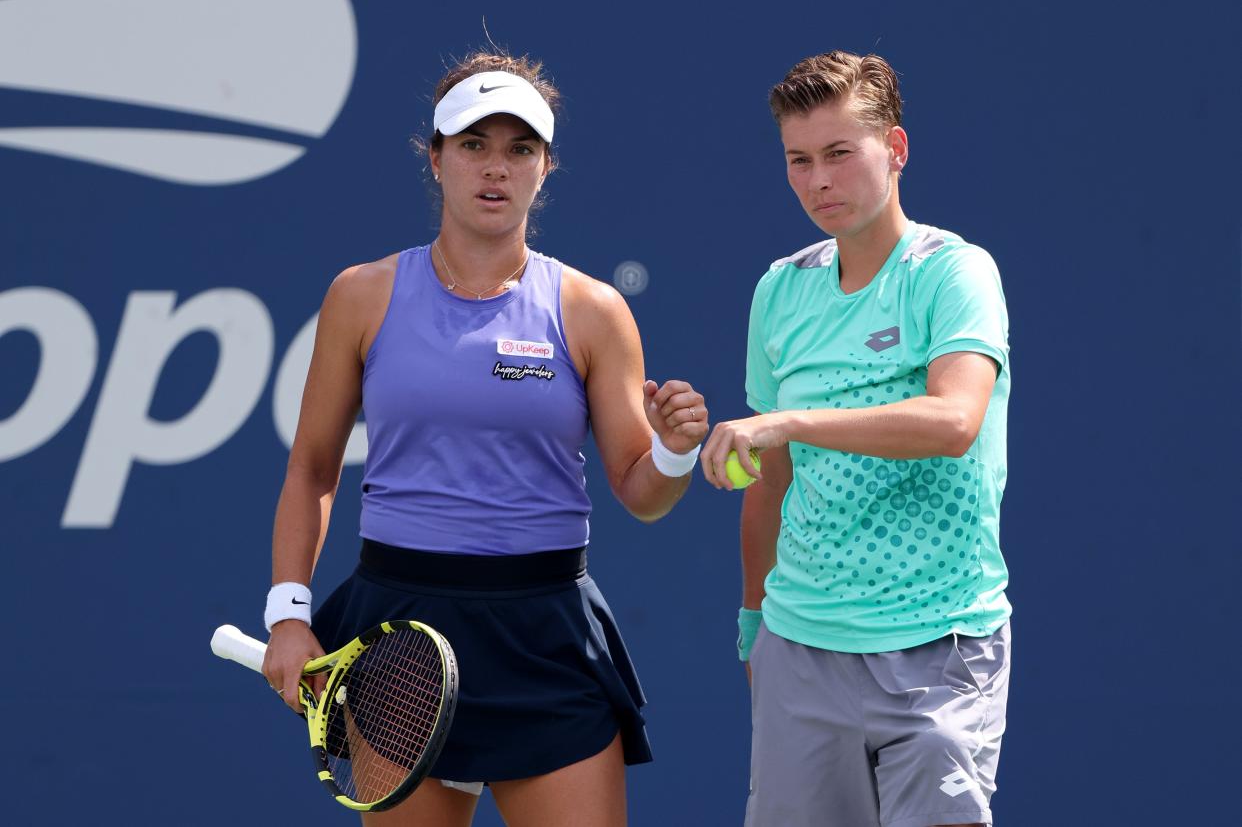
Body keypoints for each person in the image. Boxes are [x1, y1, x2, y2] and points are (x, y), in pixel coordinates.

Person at [260, 50, 708, 827]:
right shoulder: (360, 297)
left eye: (519, 149)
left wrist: (672, 450)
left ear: (545, 167)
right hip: (400, 637)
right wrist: (289, 613)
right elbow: (311, 470)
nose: (495, 169)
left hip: (547, 638)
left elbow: (642, 491)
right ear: (435, 159)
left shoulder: (591, 309)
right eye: (473, 145)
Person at [700, 51, 1012, 827]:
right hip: (799, 650)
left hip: (942, 646)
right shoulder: (780, 289)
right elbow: (770, 483)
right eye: (798, 161)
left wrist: (794, 423)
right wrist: (753, 627)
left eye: (840, 154)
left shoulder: (954, 273)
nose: (818, 181)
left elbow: (954, 421)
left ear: (895, 151)